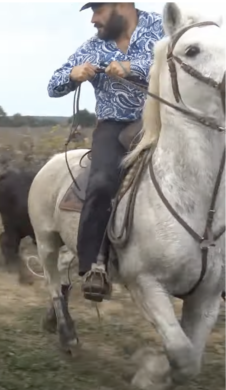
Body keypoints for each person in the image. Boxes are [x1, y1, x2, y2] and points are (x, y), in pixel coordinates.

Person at [47, 3, 163, 302]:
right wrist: (73, 74)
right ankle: (94, 264)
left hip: (163, 121)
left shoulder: (164, 29)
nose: (94, 20)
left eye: (98, 10)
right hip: (113, 127)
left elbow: (186, 64)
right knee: (100, 183)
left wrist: (132, 68)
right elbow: (53, 85)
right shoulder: (93, 47)